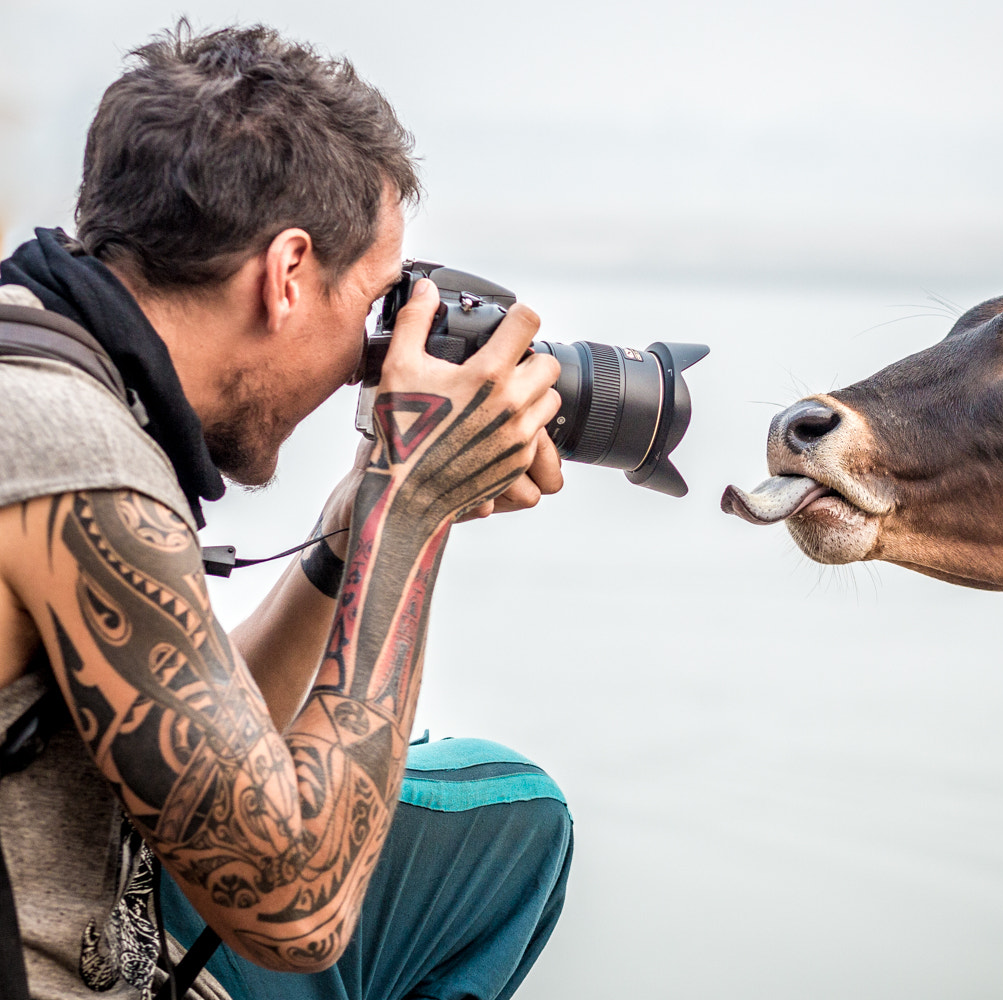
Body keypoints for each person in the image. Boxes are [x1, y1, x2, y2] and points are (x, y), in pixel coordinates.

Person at [0, 22, 574, 1000]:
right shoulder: (73, 457)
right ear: (289, 273)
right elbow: (295, 907)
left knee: (506, 828)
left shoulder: (52, 378)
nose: (372, 350)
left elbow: (207, 757)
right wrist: (412, 518)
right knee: (517, 815)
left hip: (108, 915)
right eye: (377, 301)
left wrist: (348, 541)